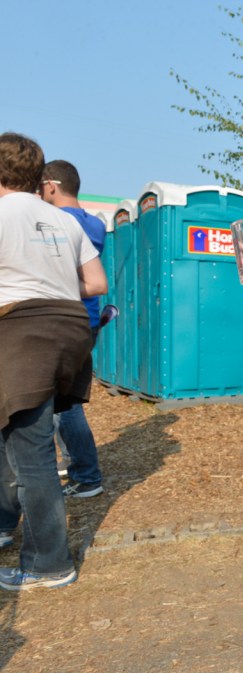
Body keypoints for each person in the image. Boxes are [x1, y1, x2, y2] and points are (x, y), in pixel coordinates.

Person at [0, 132, 108, 590]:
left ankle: (48, 563)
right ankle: (6, 523)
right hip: (68, 330)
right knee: (17, 435)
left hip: (22, 332)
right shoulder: (65, 221)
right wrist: (52, 285)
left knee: (32, 454)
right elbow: (96, 282)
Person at [39, 160, 106, 499]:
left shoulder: (60, 222)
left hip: (64, 321)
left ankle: (87, 474)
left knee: (63, 406)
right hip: (86, 321)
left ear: (51, 185)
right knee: (64, 402)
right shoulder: (93, 223)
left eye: (39, 187)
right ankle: (80, 467)